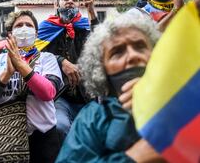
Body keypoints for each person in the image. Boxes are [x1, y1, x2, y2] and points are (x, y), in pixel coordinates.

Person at [56, 11, 165, 162]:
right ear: (102, 69)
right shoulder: (93, 118)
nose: (133, 55)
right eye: (117, 52)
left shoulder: (183, 99)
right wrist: (133, 157)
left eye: (140, 46)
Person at [0, 10, 62, 163]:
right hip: (6, 140)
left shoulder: (47, 59)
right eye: (19, 25)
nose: (24, 28)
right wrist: (7, 73)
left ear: (36, 33)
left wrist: (20, 65)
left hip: (43, 140)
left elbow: (48, 92)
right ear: (10, 34)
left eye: (29, 25)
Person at [36, 0, 99, 141]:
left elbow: (101, 43)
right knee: (60, 127)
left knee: (93, 133)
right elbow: (36, 55)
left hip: (87, 97)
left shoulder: (85, 26)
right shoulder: (45, 28)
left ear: (79, 4)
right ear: (57, 4)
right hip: (60, 97)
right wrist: (61, 61)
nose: (70, 1)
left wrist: (92, 11)